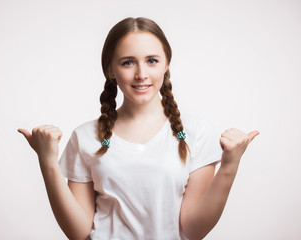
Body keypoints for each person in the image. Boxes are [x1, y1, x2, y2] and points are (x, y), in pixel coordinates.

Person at [18, 17, 259, 240]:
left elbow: (193, 229)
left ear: (166, 64)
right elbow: (78, 232)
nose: (141, 74)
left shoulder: (196, 131)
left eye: (152, 61)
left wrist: (229, 165)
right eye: (128, 62)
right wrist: (47, 162)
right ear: (111, 70)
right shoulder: (85, 137)